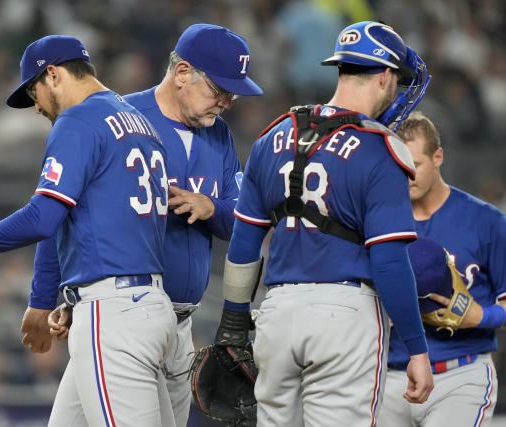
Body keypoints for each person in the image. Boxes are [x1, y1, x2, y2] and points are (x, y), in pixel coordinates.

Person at [0, 35, 176, 426]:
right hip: (144, 305)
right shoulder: (139, 122)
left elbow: (42, 218)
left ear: (53, 74)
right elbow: (70, 222)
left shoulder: (78, 120)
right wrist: (44, 300)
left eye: (34, 92)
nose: (36, 107)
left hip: (114, 316)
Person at [21, 23, 263, 427]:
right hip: (121, 318)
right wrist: (55, 294)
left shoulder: (219, 135)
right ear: (183, 72)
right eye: (219, 89)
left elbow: (242, 222)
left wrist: (212, 207)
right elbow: (58, 214)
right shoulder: (120, 116)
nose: (226, 101)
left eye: (233, 94)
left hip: (175, 329)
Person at [211, 21, 434, 426]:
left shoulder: (273, 136)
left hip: (276, 314)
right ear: (384, 75)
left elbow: (243, 244)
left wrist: (232, 322)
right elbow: (388, 262)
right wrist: (417, 349)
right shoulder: (381, 147)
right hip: (344, 316)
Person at [378, 111, 506, 426]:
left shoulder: (486, 221)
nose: (407, 174)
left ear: (438, 157)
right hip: (389, 378)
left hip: (461, 376)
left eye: (415, 165)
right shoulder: (379, 223)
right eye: (399, 165)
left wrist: (483, 316)